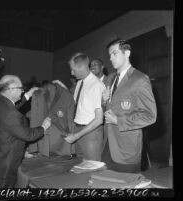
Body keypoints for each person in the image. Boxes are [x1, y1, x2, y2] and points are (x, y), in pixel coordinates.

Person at [102, 39, 157, 173]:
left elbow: (150, 116)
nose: (110, 58)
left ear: (127, 53)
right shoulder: (109, 78)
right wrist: (104, 101)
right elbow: (108, 109)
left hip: (126, 149)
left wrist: (118, 121)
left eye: (114, 54)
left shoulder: (140, 79)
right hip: (107, 144)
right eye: (109, 55)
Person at [0, 75, 51, 188]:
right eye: (21, 88)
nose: (22, 91)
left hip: (0, 155)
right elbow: (28, 135)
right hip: (7, 162)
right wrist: (44, 127)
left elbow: (12, 108)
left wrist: (28, 95)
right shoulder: (10, 114)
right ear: (11, 89)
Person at [64, 53, 105, 161]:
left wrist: (77, 135)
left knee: (92, 168)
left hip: (91, 134)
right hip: (78, 130)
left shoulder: (96, 85)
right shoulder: (79, 83)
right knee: (81, 167)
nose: (71, 73)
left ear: (81, 67)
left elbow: (99, 119)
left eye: (73, 69)